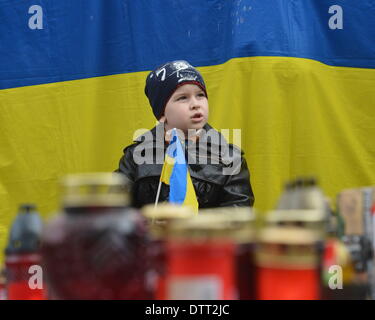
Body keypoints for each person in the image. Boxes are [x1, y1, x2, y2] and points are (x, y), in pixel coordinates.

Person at [116, 60, 254, 209]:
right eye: (183, 98)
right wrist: (148, 223)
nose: (196, 104)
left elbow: (238, 213)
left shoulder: (229, 159)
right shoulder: (134, 157)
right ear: (162, 113)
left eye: (200, 95)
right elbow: (117, 210)